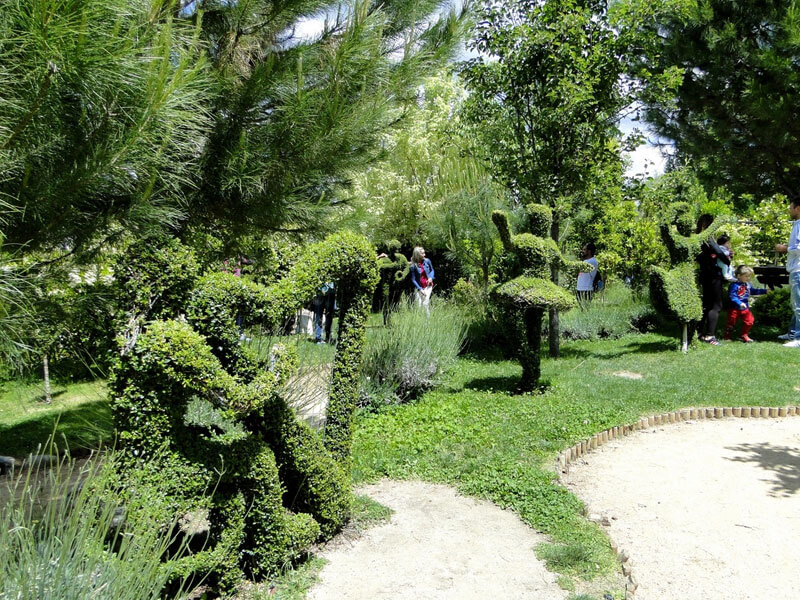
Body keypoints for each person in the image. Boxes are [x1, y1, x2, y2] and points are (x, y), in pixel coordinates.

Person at [696, 214, 731, 345]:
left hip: (704, 274)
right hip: (713, 275)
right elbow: (720, 254)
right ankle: (710, 335)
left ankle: (698, 332)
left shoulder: (697, 238)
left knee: (706, 304)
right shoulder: (708, 239)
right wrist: (727, 261)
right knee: (716, 306)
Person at [775, 197, 800, 347]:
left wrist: (785, 249)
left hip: (798, 269)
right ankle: (793, 332)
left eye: (791, 207)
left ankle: (798, 337)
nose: (789, 210)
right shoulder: (797, 224)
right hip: (795, 269)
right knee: (795, 303)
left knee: (798, 305)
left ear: (798, 208)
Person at [724, 266, 768, 342]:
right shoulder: (734, 285)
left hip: (745, 308)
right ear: (739, 276)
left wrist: (765, 291)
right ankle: (727, 336)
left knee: (749, 321)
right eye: (746, 276)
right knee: (731, 322)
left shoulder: (747, 284)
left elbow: (753, 291)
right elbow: (732, 296)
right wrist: (739, 303)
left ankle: (744, 335)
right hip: (734, 308)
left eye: (749, 276)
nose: (748, 278)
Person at [410, 246, 434, 313]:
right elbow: (413, 279)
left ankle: (427, 322)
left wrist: (431, 277)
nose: (424, 255)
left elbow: (432, 270)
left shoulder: (427, 261)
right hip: (419, 287)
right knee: (418, 305)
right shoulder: (413, 266)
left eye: (424, 253)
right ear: (417, 255)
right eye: (422, 253)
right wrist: (420, 289)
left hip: (428, 285)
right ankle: (420, 321)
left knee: (425, 304)